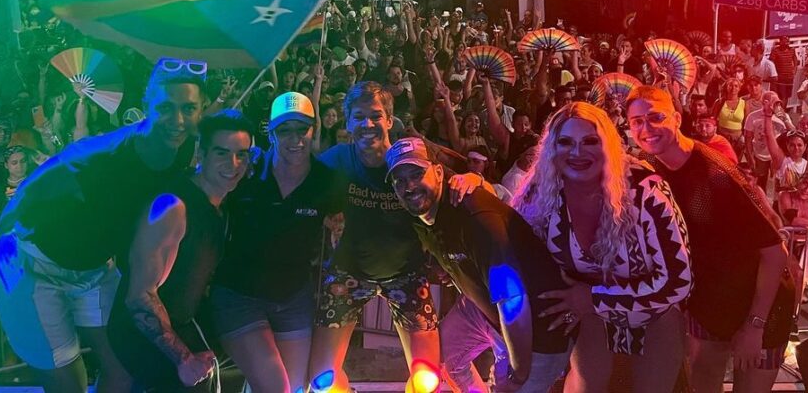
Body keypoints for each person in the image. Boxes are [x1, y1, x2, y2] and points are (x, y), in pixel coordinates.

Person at [0, 57, 208, 393]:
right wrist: (2, 237)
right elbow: (33, 188)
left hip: (92, 270)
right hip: (36, 264)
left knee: (124, 367)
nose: (177, 119)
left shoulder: (183, 146)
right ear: (146, 104)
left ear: (200, 109)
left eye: (188, 108)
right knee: (68, 382)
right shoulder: (102, 157)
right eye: (166, 108)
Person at [515, 102, 693, 393]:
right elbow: (507, 239)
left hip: (653, 312)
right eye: (566, 142)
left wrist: (595, 300)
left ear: (607, 145)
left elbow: (678, 280)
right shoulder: (542, 192)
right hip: (587, 316)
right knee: (586, 385)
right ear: (552, 149)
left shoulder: (646, 191)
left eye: (589, 141)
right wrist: (469, 186)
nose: (577, 152)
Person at [626, 85, 793, 393]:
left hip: (760, 306)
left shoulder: (716, 173)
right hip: (707, 303)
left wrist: (755, 326)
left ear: (677, 118)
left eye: (655, 117)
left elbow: (774, 251)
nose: (645, 128)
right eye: (636, 121)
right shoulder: (651, 168)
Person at [387, 136, 573, 393]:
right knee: (443, 358)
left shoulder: (474, 215)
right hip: (485, 309)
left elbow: (513, 301)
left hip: (539, 330)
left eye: (417, 173)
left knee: (511, 387)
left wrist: (518, 374)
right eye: (399, 180)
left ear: (439, 172)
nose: (409, 185)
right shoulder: (422, 216)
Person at [308, 82, 441, 393]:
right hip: (348, 273)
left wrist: (472, 179)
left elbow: (454, 175)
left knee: (428, 382)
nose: (367, 125)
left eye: (375, 116)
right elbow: (299, 181)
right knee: (321, 382)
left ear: (390, 120)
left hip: (406, 274)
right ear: (348, 122)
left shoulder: (411, 156)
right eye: (358, 117)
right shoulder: (337, 159)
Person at [108, 112, 253, 392]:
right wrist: (183, 359)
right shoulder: (173, 207)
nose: (233, 164)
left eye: (241, 155)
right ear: (201, 153)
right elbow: (139, 297)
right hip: (145, 335)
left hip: (181, 323)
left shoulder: (221, 205)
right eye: (222, 153)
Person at [211, 94, 345, 393]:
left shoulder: (327, 181)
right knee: (275, 387)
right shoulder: (248, 167)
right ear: (271, 133)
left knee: (295, 388)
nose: (295, 139)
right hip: (240, 294)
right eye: (285, 130)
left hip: (292, 296)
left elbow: (339, 228)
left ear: (315, 130)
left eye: (303, 129)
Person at [769, 37, 799, 107]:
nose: (786, 42)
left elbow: (795, 59)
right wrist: (774, 73)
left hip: (789, 78)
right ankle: (779, 111)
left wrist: (794, 70)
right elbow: (771, 62)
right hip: (780, 78)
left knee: (786, 96)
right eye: (784, 40)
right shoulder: (775, 50)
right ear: (780, 41)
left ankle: (784, 110)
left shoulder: (792, 50)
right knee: (780, 95)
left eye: (787, 40)